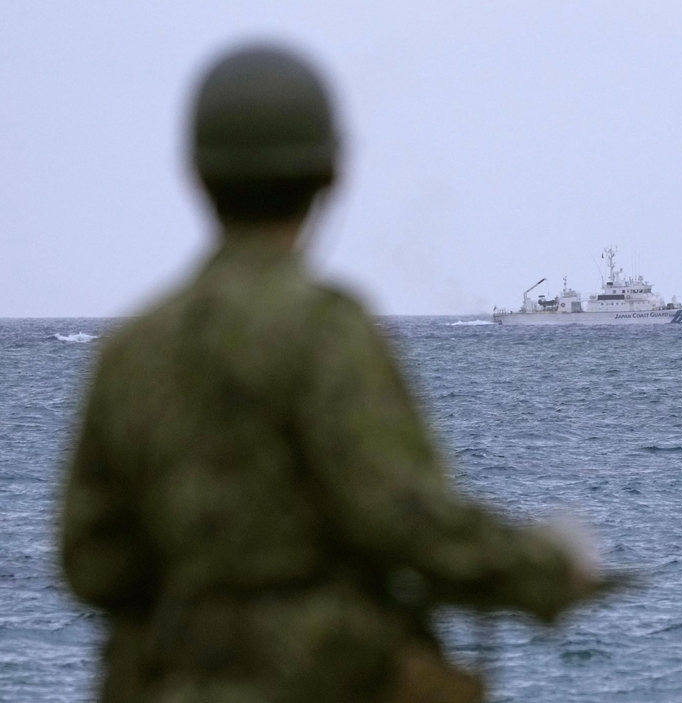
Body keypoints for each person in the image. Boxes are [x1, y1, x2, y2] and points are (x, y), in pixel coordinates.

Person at [60, 44, 610, 703]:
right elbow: (404, 517)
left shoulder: (130, 347)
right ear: (330, 173)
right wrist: (542, 570)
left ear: (195, 172)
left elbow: (89, 561)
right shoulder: (328, 329)